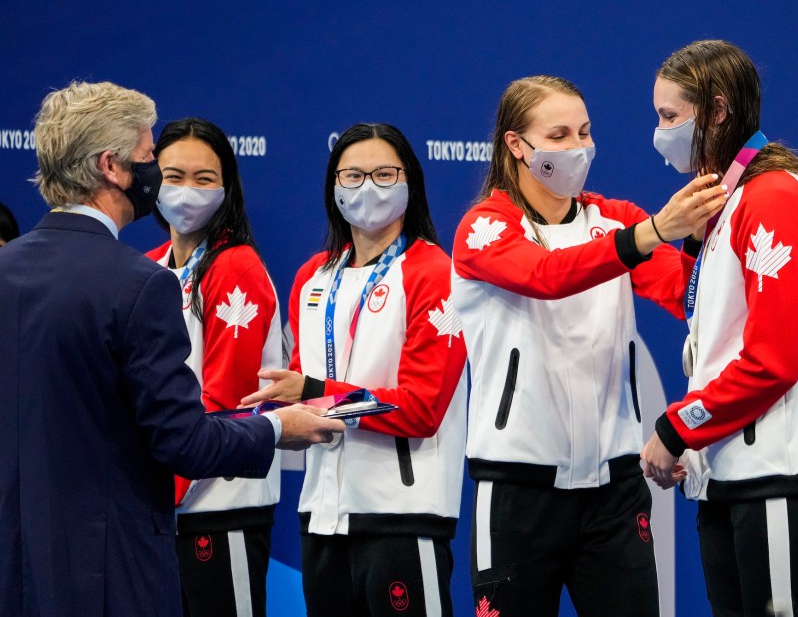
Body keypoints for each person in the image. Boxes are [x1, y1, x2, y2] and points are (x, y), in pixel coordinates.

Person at [0, 81, 346, 617]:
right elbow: (183, 439)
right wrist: (282, 427)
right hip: (113, 564)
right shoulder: (137, 282)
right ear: (112, 167)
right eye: (149, 158)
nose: (157, 175)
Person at [450, 75, 728, 617]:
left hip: (615, 491)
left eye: (584, 132)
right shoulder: (483, 228)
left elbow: (684, 293)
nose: (578, 148)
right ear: (516, 145)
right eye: (558, 135)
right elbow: (547, 275)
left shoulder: (615, 220)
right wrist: (651, 233)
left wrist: (692, 238)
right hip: (517, 490)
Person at [640, 40, 798, 617]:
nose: (659, 133)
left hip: (781, 479)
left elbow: (773, 360)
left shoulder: (773, 197)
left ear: (715, 111)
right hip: (735, 478)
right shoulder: (731, 202)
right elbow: (717, 334)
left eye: (669, 117)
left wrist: (678, 427)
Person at [241, 123, 467, 617]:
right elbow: (300, 392)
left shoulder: (434, 272)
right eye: (353, 176)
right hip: (321, 518)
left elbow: (422, 407)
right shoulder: (312, 277)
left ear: (410, 183)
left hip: (405, 517)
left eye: (385, 174)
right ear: (334, 187)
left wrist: (317, 393)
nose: (369, 188)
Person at [146, 118, 283, 617]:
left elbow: (227, 399)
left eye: (204, 179)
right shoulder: (150, 267)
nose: (187, 191)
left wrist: (159, 486)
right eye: (173, 176)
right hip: (166, 509)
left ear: (227, 188)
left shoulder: (235, 267)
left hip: (222, 505)